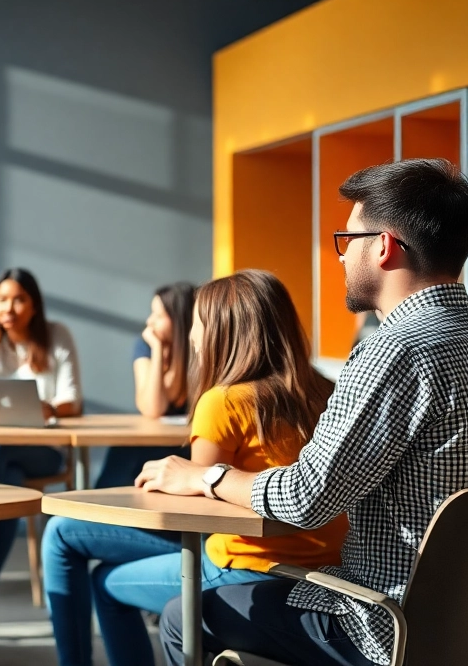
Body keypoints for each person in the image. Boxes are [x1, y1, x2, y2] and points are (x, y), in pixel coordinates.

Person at [138, 159, 468, 666]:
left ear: (383, 246)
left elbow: (305, 498)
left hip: (381, 626)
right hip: (462, 625)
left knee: (181, 616)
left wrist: (205, 477)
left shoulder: (394, 351)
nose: (341, 258)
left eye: (347, 240)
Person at [43, 270, 346, 666]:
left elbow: (192, 514)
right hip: (324, 567)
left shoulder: (225, 401)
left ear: (222, 332)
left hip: (244, 565)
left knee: (70, 543)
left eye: (199, 323)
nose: (192, 335)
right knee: (95, 570)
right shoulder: (328, 392)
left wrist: (173, 477)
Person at [0, 267, 81, 630]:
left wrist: (50, 408)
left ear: (34, 305)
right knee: (8, 479)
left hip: (42, 450)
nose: (10, 307)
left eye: (19, 299)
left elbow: (73, 399)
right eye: (2, 299)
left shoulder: (56, 336)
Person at [94, 283, 196, 488]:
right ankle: (94, 511)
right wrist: (157, 350)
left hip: (189, 447)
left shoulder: (200, 351)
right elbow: (152, 408)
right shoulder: (146, 345)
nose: (150, 321)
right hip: (152, 442)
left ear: (179, 320)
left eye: (158, 316)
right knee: (124, 451)